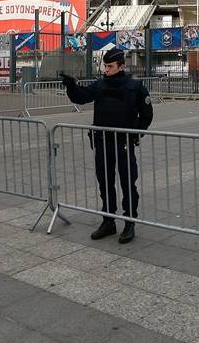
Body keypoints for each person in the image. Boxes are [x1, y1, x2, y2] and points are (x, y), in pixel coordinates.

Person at [59, 49, 153, 244]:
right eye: (105, 66)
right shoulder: (100, 85)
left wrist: (136, 134)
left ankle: (129, 223)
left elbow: (147, 115)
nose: (106, 70)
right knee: (105, 183)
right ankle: (108, 221)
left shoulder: (135, 87)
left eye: (110, 66)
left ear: (121, 66)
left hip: (123, 143)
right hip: (102, 143)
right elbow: (81, 97)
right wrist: (71, 85)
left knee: (128, 184)